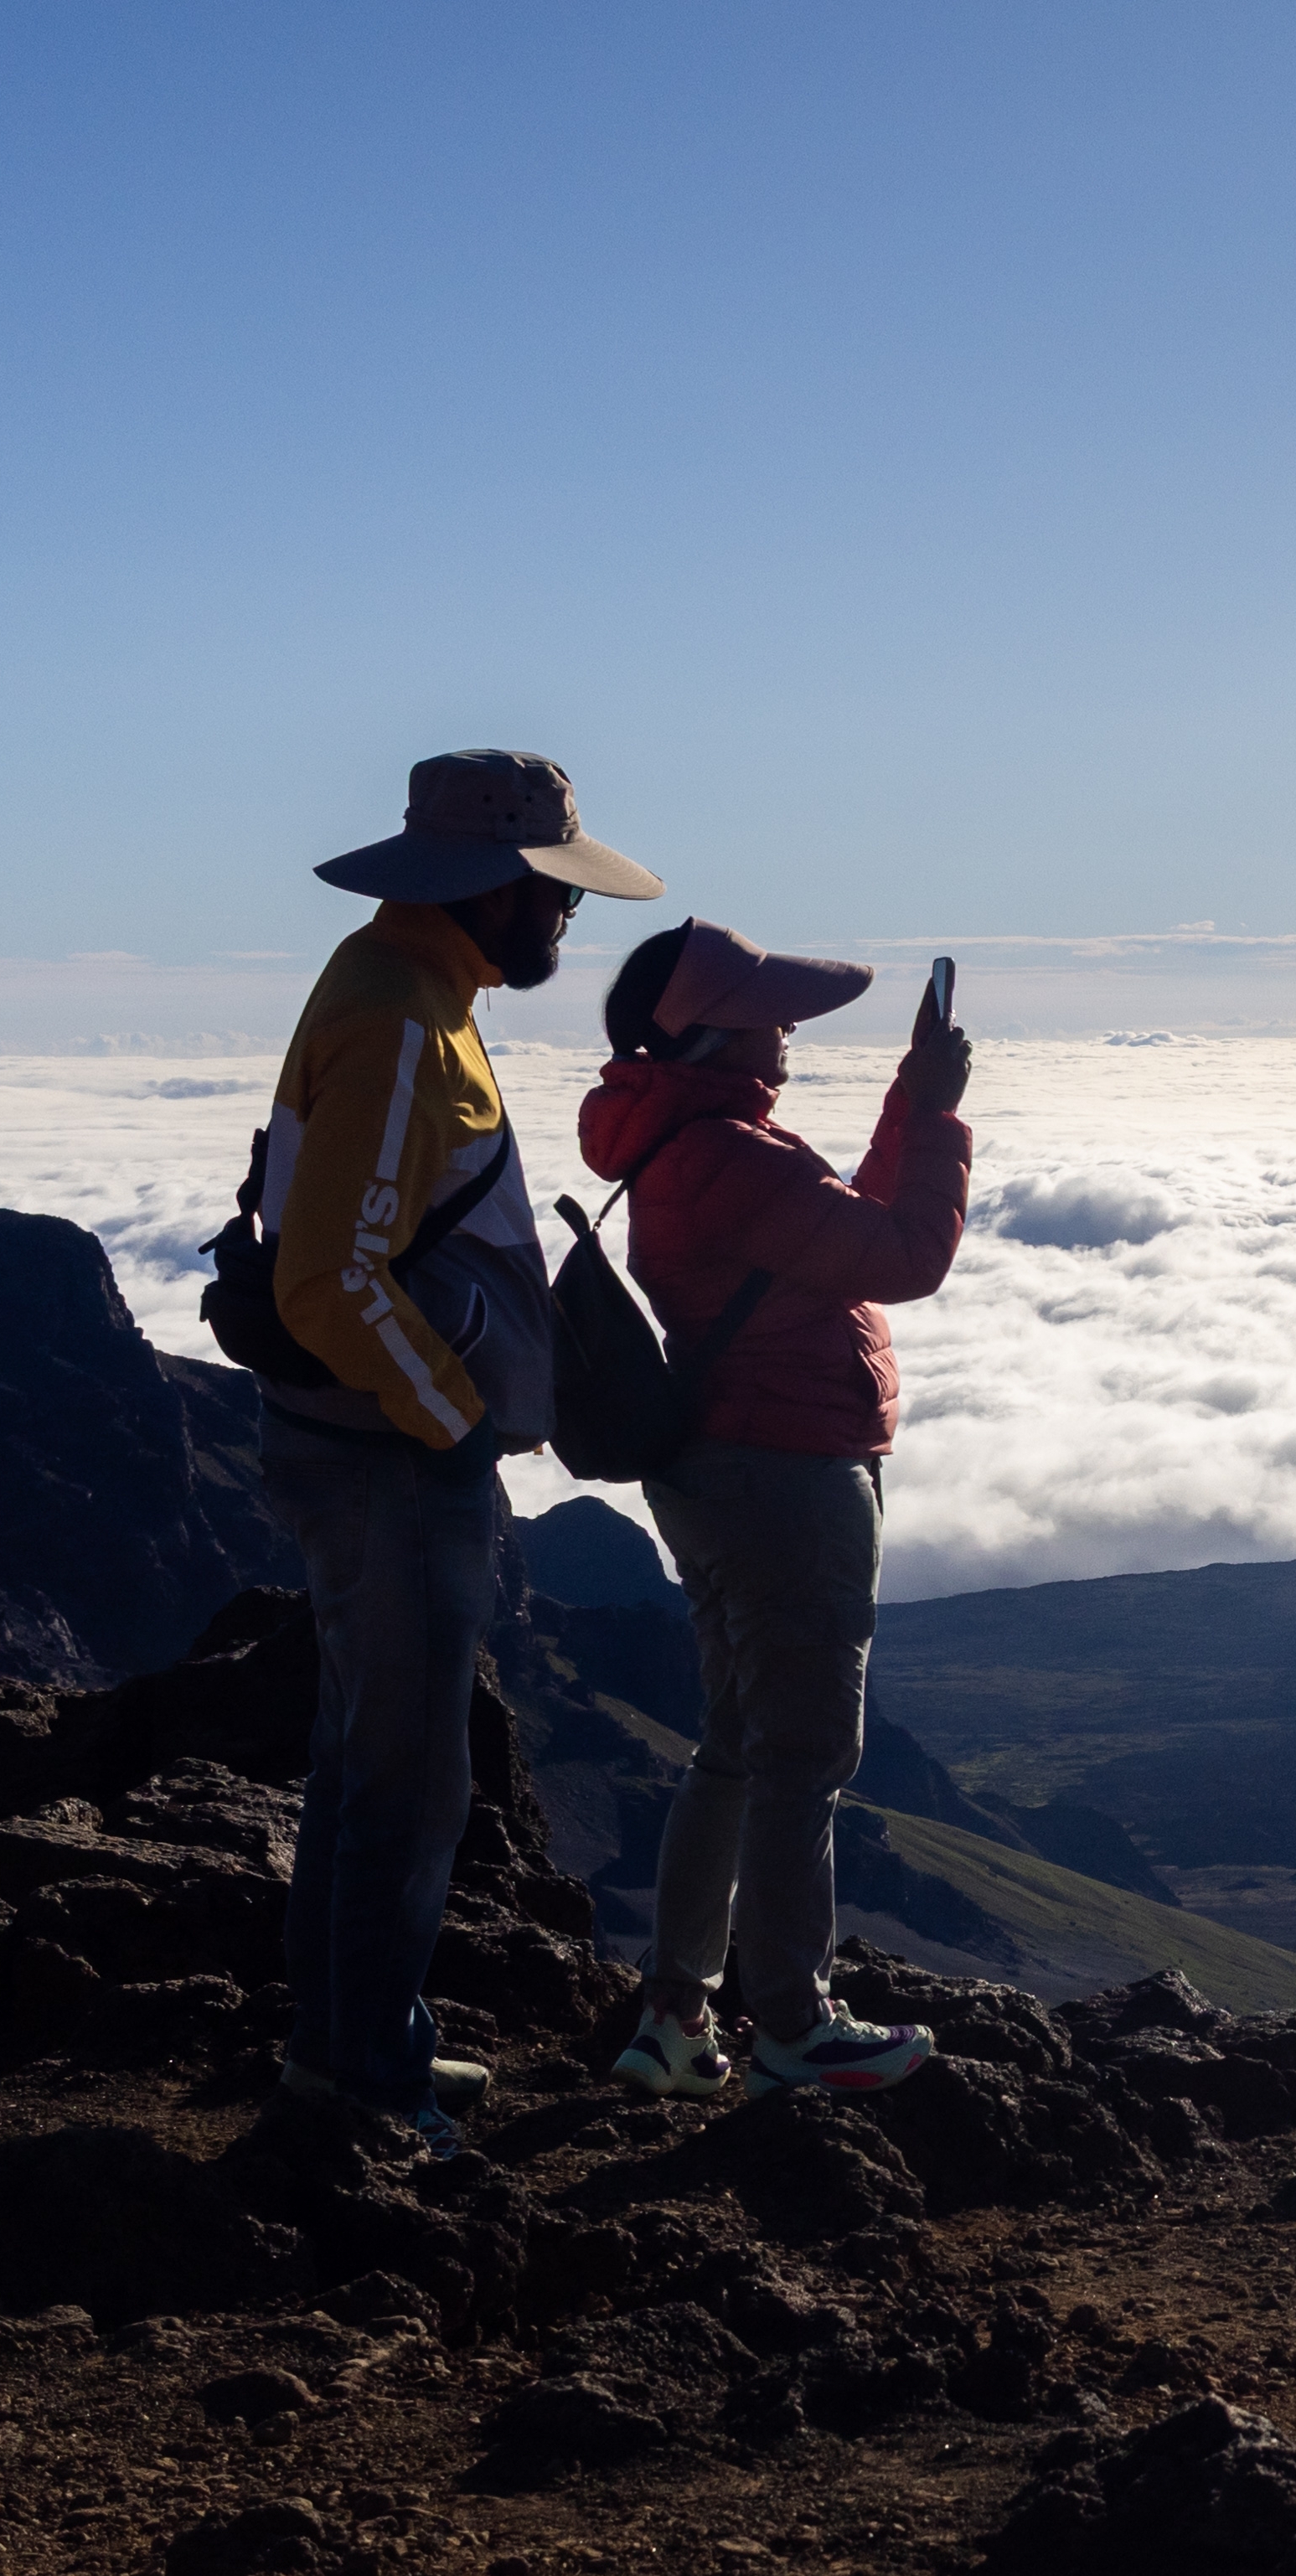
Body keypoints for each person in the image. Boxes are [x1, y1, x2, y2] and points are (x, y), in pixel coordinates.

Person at [265, 749, 665, 2156]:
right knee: (407, 1778)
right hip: (386, 1457)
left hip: (375, 1445)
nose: (565, 921)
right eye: (551, 894)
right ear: (490, 885)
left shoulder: (415, 987)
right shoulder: (396, 1020)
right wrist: (450, 1424)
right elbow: (327, 1275)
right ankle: (362, 2084)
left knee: (373, 1761)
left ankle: (357, 2050)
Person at [579, 916, 973, 2098]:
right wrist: (945, 1113)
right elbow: (904, 1253)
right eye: (770, 1011)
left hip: (723, 1466)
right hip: (788, 1469)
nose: (788, 1027)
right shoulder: (732, 1158)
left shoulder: (699, 1145)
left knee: (741, 1745)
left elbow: (838, 1226)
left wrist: (909, 1097)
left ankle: (674, 2016)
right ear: (713, 1030)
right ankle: (795, 2026)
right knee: (805, 1751)